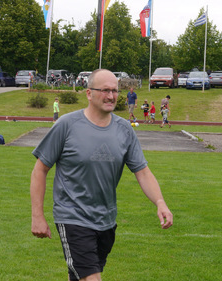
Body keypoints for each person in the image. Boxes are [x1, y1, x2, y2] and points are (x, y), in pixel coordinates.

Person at [30, 69, 173, 281]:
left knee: (80, 276)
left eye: (115, 90)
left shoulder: (124, 130)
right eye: (105, 90)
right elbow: (40, 170)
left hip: (106, 220)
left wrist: (160, 202)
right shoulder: (67, 125)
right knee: (92, 278)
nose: (111, 96)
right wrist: (37, 216)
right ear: (89, 93)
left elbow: (142, 172)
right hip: (73, 217)